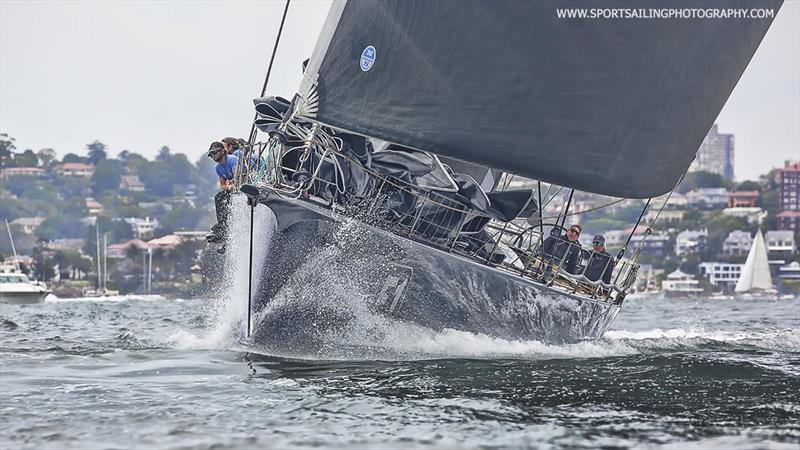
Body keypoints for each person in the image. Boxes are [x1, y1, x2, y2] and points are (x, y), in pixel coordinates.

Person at [206, 141, 238, 243]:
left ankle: (224, 226)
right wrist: (228, 187)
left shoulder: (232, 159)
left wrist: (232, 185)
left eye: (214, 153)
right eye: (211, 154)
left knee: (224, 197)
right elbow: (223, 185)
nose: (213, 156)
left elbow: (238, 176)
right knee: (219, 197)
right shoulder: (218, 168)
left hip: (243, 185)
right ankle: (223, 227)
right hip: (232, 189)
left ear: (223, 151)